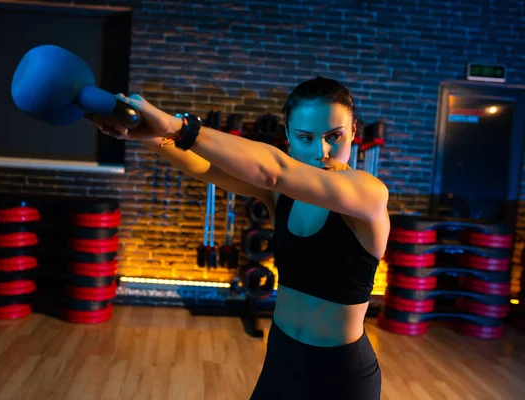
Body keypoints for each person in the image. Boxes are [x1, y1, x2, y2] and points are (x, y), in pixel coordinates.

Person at [94, 77, 389, 400]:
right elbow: (206, 167)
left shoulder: (368, 195)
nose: (321, 152)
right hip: (282, 356)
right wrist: (149, 135)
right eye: (306, 138)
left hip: (341, 376)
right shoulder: (282, 196)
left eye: (335, 136)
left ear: (354, 131)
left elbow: (274, 171)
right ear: (288, 135)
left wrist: (176, 125)